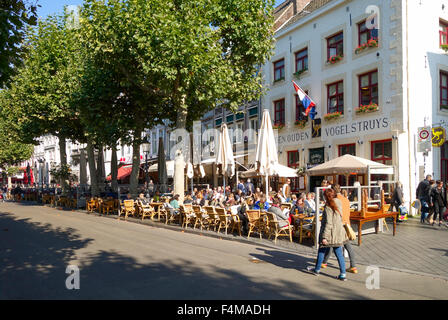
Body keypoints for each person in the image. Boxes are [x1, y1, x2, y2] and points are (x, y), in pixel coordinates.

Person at [307, 188, 348, 281]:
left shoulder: (328, 207)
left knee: (322, 250)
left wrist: (324, 237)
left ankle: (317, 270)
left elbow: (328, 223)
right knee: (339, 253)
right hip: (338, 232)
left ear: (326, 197)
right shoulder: (339, 202)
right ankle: (343, 274)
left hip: (329, 233)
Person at [321, 185, 357, 274]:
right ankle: (353, 266)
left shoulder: (335, 201)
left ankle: (324, 262)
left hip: (338, 225)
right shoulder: (346, 199)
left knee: (330, 244)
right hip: (346, 224)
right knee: (347, 246)